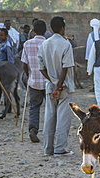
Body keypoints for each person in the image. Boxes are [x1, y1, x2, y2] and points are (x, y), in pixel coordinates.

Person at [38, 16, 75, 156]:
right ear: (62, 28)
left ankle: (48, 149)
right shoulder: (66, 44)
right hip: (64, 87)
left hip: (50, 87)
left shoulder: (45, 44)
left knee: (49, 117)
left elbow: (41, 68)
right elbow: (65, 68)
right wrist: (59, 86)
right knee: (63, 118)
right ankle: (60, 148)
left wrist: (53, 83)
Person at [21, 20, 47, 143]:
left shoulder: (27, 44)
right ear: (45, 31)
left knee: (34, 106)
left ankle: (32, 129)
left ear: (34, 31)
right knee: (51, 107)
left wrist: (28, 75)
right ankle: (49, 131)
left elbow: (24, 64)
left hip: (33, 80)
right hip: (48, 80)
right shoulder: (48, 44)